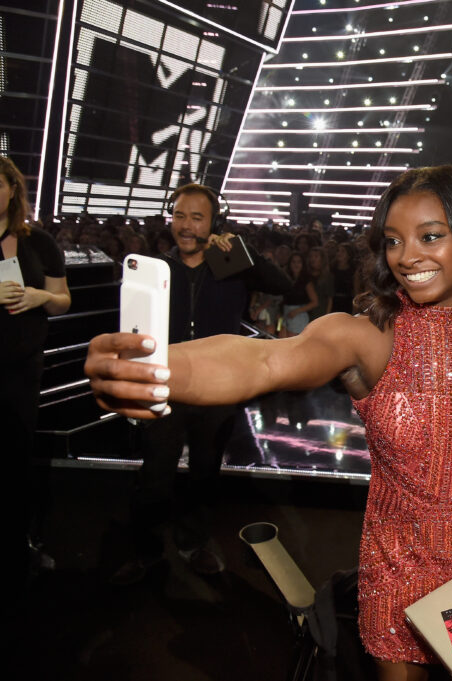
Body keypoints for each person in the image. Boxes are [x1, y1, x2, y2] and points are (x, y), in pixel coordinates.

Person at [85, 166, 452, 681]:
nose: (406, 256)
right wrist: (155, 369)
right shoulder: (369, 336)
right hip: (394, 568)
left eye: (430, 236)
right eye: (394, 240)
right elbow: (264, 361)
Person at [109, 183, 291, 584]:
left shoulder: (230, 264)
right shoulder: (157, 269)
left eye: (197, 217)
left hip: (218, 388)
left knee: (205, 471)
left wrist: (241, 252)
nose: (186, 226)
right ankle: (147, 550)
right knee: (155, 473)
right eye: (179, 216)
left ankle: (194, 542)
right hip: (165, 386)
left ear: (214, 224)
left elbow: (282, 285)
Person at [0, 156, 71, 593]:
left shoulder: (40, 242)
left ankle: (16, 547)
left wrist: (38, 295)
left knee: (13, 461)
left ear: (12, 190)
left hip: (21, 371)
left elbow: (63, 301)